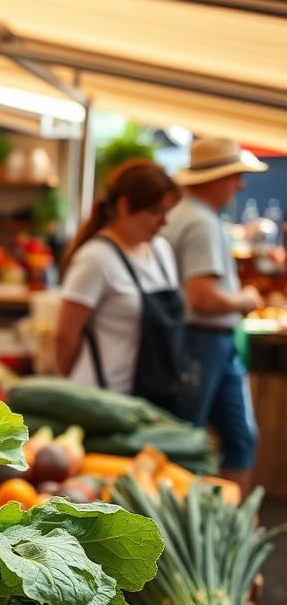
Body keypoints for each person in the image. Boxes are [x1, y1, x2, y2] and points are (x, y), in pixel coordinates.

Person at [160, 137, 267, 489]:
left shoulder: (182, 215)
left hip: (198, 342)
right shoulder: (202, 223)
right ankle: (222, 526)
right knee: (200, 442)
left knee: (207, 438)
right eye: (235, 175)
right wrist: (245, 299)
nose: (240, 184)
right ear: (217, 178)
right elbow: (203, 298)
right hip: (204, 342)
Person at [55, 160, 184, 406]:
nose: (164, 222)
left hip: (156, 396)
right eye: (156, 212)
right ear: (125, 205)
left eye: (167, 213)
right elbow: (64, 336)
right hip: (106, 399)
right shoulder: (96, 258)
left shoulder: (162, 251)